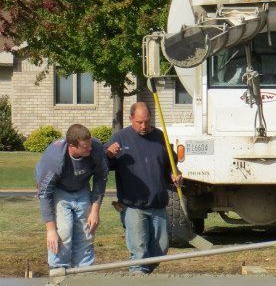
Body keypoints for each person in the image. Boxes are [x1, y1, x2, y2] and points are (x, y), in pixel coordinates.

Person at [105, 102, 181, 274]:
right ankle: (138, 280)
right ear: (131, 118)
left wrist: (175, 175)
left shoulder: (160, 136)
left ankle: (146, 277)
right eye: (139, 122)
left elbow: (170, 165)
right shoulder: (120, 138)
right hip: (133, 206)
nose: (144, 126)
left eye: (147, 121)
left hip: (158, 204)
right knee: (139, 252)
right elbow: (105, 166)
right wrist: (109, 154)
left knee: (160, 250)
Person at [35, 123, 108, 269]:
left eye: (90, 145)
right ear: (72, 146)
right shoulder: (54, 159)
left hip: (81, 188)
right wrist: (50, 230)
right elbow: (44, 194)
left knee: (87, 230)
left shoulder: (96, 148)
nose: (90, 148)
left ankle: (83, 270)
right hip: (59, 189)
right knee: (63, 232)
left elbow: (101, 178)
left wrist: (95, 211)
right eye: (85, 147)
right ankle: (58, 271)